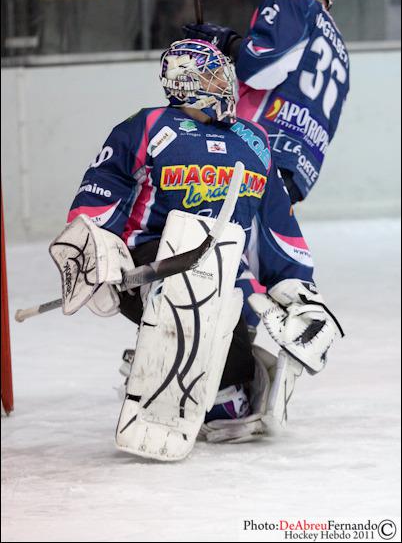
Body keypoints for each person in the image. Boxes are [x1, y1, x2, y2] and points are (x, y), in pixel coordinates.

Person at [50, 39, 342, 455]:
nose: (226, 81)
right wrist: (96, 251)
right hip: (149, 266)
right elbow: (101, 191)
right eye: (214, 74)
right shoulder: (148, 127)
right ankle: (169, 362)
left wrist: (298, 289)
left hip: (222, 276)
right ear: (188, 83)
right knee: (193, 293)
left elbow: (276, 225)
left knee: (232, 395)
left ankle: (194, 373)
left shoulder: (254, 140)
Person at [183, 0, 350, 332]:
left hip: (252, 151)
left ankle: (229, 339)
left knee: (213, 244)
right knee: (250, 253)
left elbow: (261, 69)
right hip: (295, 169)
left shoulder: (292, 2)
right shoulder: (339, 48)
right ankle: (253, 340)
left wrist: (225, 43)